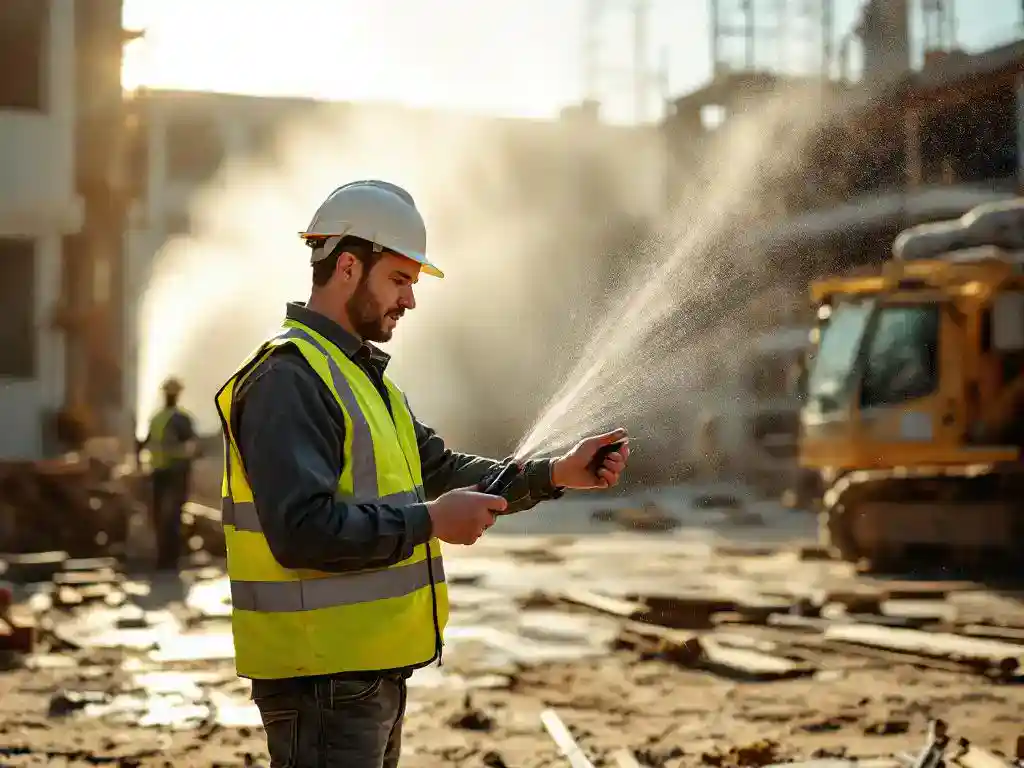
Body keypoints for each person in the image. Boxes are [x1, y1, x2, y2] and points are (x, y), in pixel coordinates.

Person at [214, 179, 630, 768]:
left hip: (363, 675)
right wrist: (432, 521)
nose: (410, 300)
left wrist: (556, 473)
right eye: (400, 280)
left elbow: (441, 469)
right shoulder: (289, 380)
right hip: (323, 681)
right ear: (350, 268)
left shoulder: (362, 379)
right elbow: (303, 531)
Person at [141, 376, 199, 570]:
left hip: (158, 472)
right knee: (173, 516)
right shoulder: (181, 418)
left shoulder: (156, 418)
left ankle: (163, 559)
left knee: (160, 516)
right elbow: (191, 447)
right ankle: (170, 560)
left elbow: (144, 443)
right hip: (175, 472)